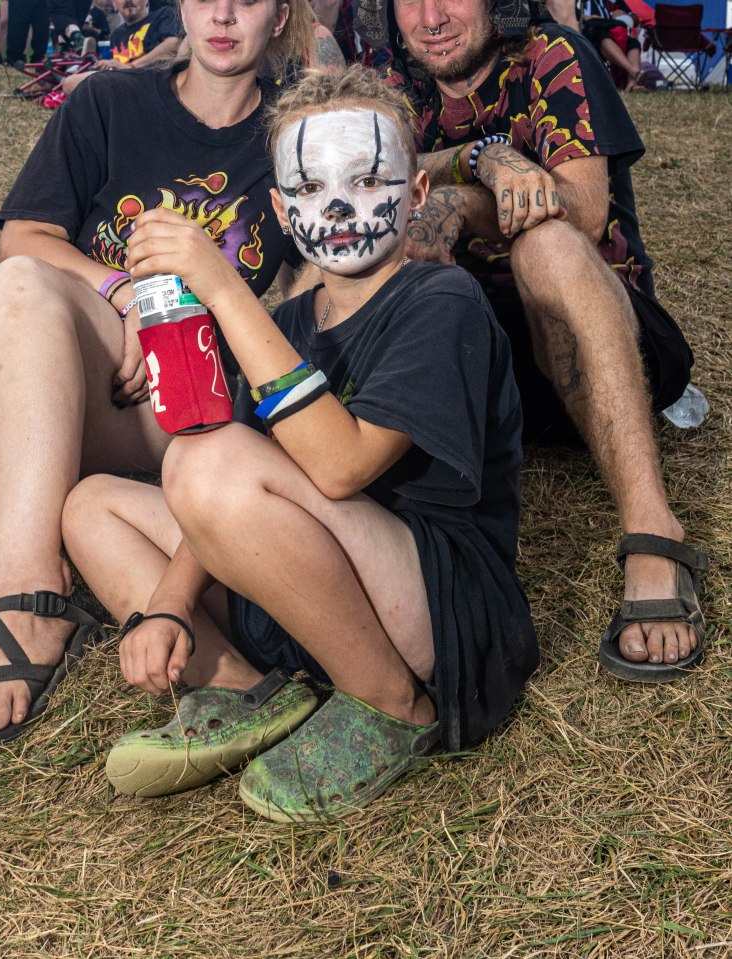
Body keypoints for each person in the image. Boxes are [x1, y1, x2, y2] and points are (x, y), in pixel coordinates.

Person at [60, 66, 539, 821]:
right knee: (92, 505)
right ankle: (245, 689)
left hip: (431, 614)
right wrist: (169, 607)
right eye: (310, 190)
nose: (341, 206)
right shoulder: (285, 328)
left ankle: (389, 703)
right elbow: (217, 499)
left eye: (369, 178)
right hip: (310, 595)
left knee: (204, 459)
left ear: (415, 194)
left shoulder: (442, 301)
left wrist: (224, 289)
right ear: (282, 209)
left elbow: (340, 465)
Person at [0, 0, 314, 754]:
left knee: (22, 284)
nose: (223, 14)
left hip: (182, 418)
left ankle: (31, 596)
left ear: (282, 13)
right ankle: (34, 543)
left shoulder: (292, 136)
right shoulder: (110, 100)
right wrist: (123, 291)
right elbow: (25, 235)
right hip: (47, 393)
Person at [350, 0, 708, 680]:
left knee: (542, 245)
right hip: (487, 373)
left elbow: (582, 208)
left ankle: (653, 531)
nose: (430, 16)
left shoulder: (553, 57)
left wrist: (455, 199)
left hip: (605, 339)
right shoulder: (392, 87)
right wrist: (484, 159)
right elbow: (379, 179)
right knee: (380, 239)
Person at [62, 0, 181, 96]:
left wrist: (132, 66)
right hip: (121, 81)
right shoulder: (116, 34)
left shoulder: (163, 14)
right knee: (69, 83)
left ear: (146, 1)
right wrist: (109, 65)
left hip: (152, 80)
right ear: (114, 4)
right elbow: (118, 65)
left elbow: (173, 44)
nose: (128, 1)